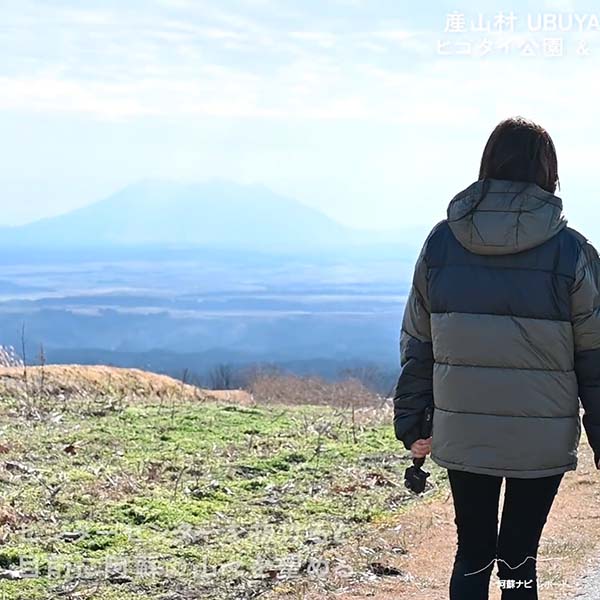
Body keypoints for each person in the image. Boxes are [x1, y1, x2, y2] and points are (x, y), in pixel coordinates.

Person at [392, 116, 600, 600]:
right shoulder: (572, 253)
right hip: (541, 434)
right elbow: (595, 358)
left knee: (473, 552)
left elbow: (418, 343)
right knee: (518, 557)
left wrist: (413, 421)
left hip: (464, 430)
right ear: (548, 172)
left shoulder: (441, 244)